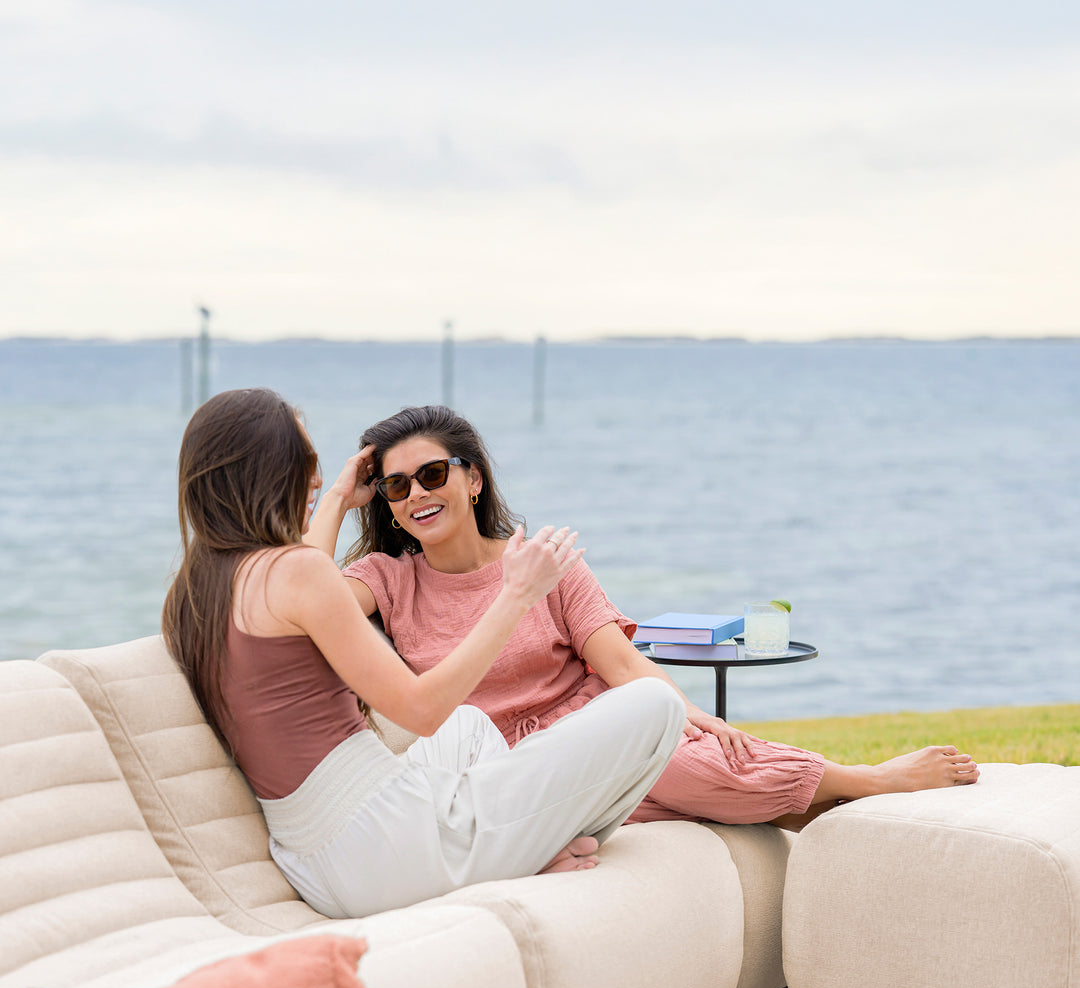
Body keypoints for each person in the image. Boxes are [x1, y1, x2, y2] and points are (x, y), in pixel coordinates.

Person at [311, 404, 979, 833]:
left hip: (607, 724)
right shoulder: (385, 580)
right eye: (397, 487)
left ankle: (827, 793)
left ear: (474, 478)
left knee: (693, 761)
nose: (417, 496)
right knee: (684, 777)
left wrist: (697, 718)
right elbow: (310, 596)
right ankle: (858, 785)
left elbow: (622, 666)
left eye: (432, 475)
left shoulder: (543, 561)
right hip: (507, 766)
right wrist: (339, 499)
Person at [161, 388, 684, 919]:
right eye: (309, 463)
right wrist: (516, 595)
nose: (319, 480)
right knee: (655, 706)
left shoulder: (193, 592)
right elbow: (420, 710)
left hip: (312, 860)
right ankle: (521, 850)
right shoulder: (294, 572)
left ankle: (514, 846)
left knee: (470, 728)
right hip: (381, 845)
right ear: (271, 472)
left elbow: (306, 587)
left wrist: (342, 498)